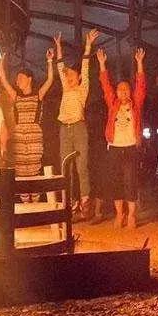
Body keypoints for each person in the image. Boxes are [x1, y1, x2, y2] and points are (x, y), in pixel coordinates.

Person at [97, 46, 146, 228]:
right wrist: (102, 64)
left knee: (130, 181)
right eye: (120, 89)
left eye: (126, 89)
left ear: (130, 91)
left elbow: (141, 86)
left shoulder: (136, 104)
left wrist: (139, 63)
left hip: (131, 147)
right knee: (115, 182)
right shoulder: (113, 104)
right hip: (115, 148)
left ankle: (132, 215)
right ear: (116, 93)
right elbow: (105, 85)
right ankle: (120, 214)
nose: (123, 91)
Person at [0, 46, 55, 200]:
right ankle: (25, 203)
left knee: (34, 168)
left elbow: (50, 80)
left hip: (34, 135)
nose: (18, 81)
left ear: (29, 79)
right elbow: (4, 82)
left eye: (21, 78)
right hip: (19, 137)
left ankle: (35, 202)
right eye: (17, 79)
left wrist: (50, 61)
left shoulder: (38, 95)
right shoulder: (16, 96)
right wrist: (1, 65)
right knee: (21, 169)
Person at [53, 29, 98, 220]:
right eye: (68, 75)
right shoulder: (66, 88)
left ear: (78, 77)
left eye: (72, 74)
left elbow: (85, 67)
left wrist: (88, 45)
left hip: (79, 128)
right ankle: (70, 204)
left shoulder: (82, 88)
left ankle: (85, 201)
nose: (69, 77)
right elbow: (60, 67)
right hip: (65, 128)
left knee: (82, 166)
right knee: (66, 168)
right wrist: (58, 47)